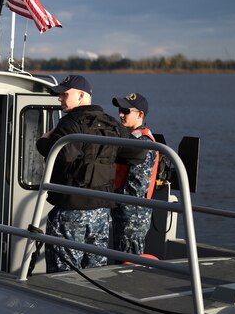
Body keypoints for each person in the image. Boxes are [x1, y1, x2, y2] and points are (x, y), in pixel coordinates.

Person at [36, 75, 145, 272]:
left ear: (80, 96)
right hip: (101, 215)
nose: (59, 98)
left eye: (64, 94)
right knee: (95, 274)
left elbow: (65, 154)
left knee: (64, 275)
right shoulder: (111, 124)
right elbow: (137, 154)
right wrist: (108, 156)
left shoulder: (70, 123)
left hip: (70, 213)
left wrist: (42, 142)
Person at [111, 92, 160, 256]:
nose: (120, 114)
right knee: (121, 259)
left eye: (125, 110)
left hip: (132, 216)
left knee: (129, 263)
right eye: (120, 110)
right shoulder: (131, 139)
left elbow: (136, 188)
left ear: (140, 114)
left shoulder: (143, 145)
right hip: (123, 212)